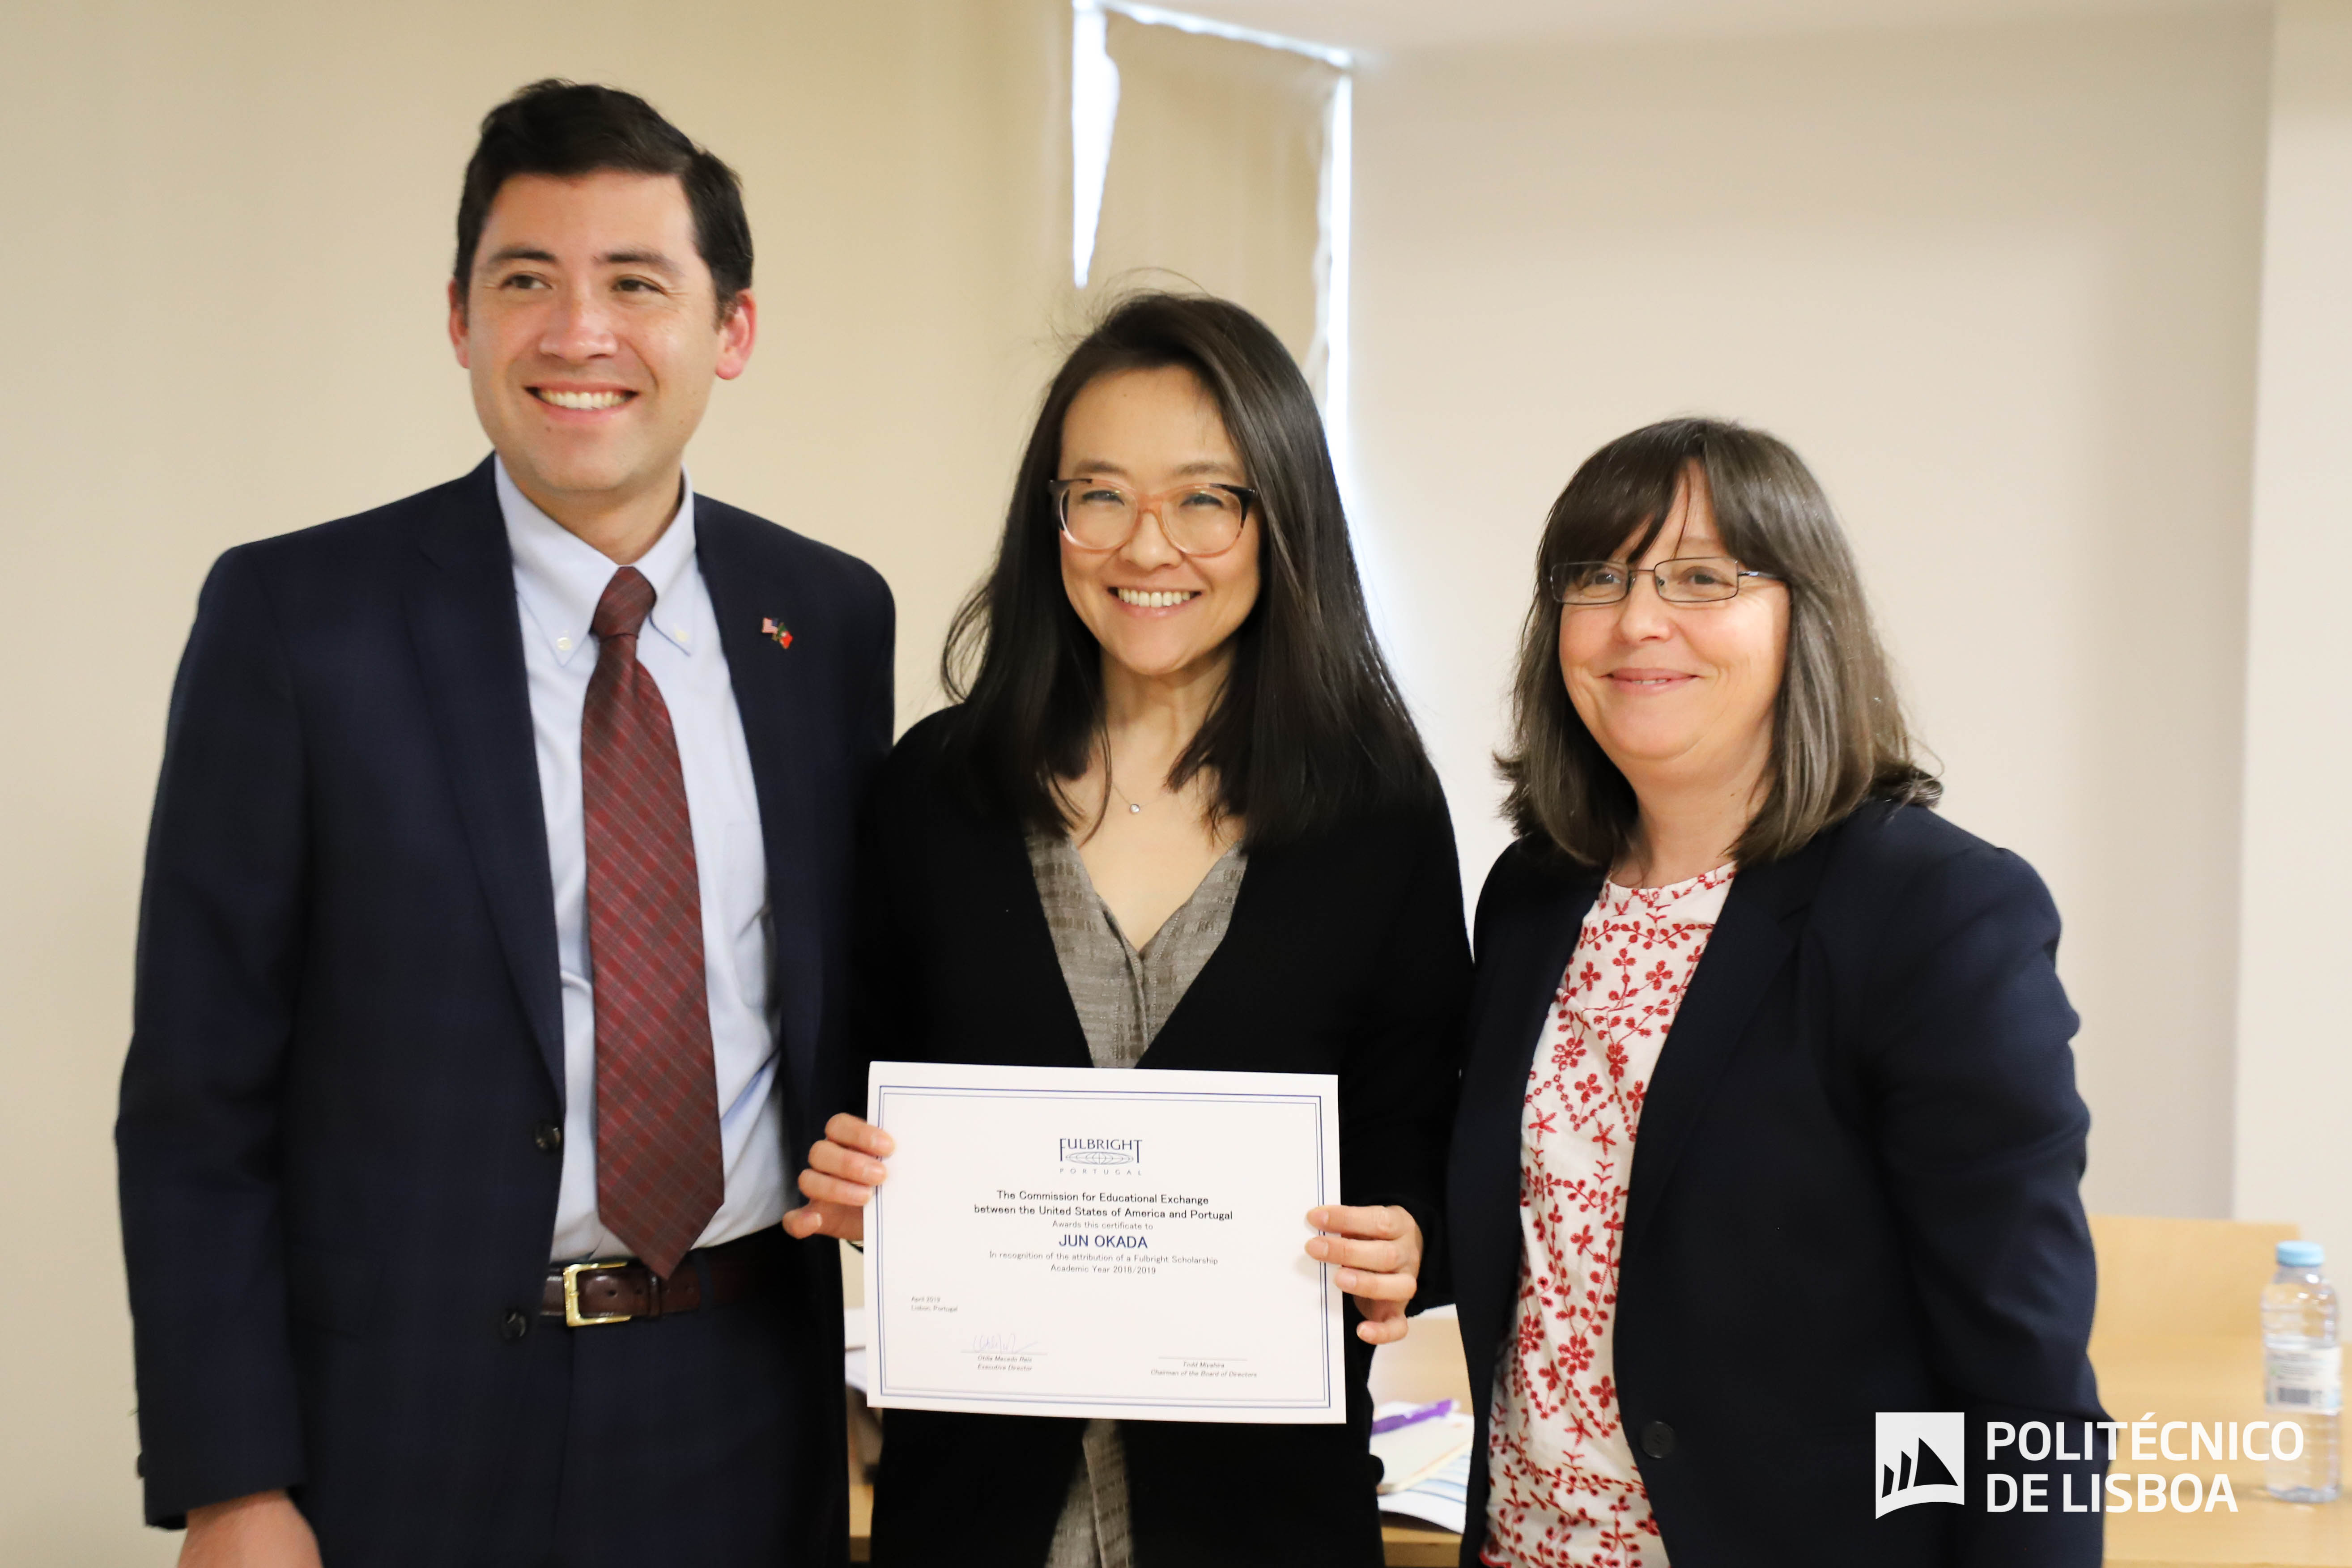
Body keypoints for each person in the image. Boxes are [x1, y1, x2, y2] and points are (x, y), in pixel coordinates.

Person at [115, 81, 893, 1566]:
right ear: (459, 318)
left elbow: (846, 991)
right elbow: (196, 1102)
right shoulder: (296, 621)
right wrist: (232, 1479)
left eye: (634, 285)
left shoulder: (831, 618)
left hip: (744, 1399)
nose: (576, 331)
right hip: (400, 1423)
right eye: (524, 280)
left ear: (729, 331)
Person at [783, 293, 1470, 1566]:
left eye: (1206, 497)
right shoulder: (933, 794)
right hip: (973, 1512)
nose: (1146, 544)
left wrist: (1404, 1235)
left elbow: (1417, 1128)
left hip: (1264, 1515)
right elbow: (853, 1092)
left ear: (1281, 520)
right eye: (1098, 495)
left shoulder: (1375, 808)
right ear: (1051, 518)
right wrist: (849, 1179)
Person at [1447, 418, 2105, 1567]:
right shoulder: (1532, 895)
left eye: (1702, 577)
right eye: (1596, 577)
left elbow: (2023, 1386)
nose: (1637, 619)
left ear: (1803, 615)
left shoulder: (1937, 914)